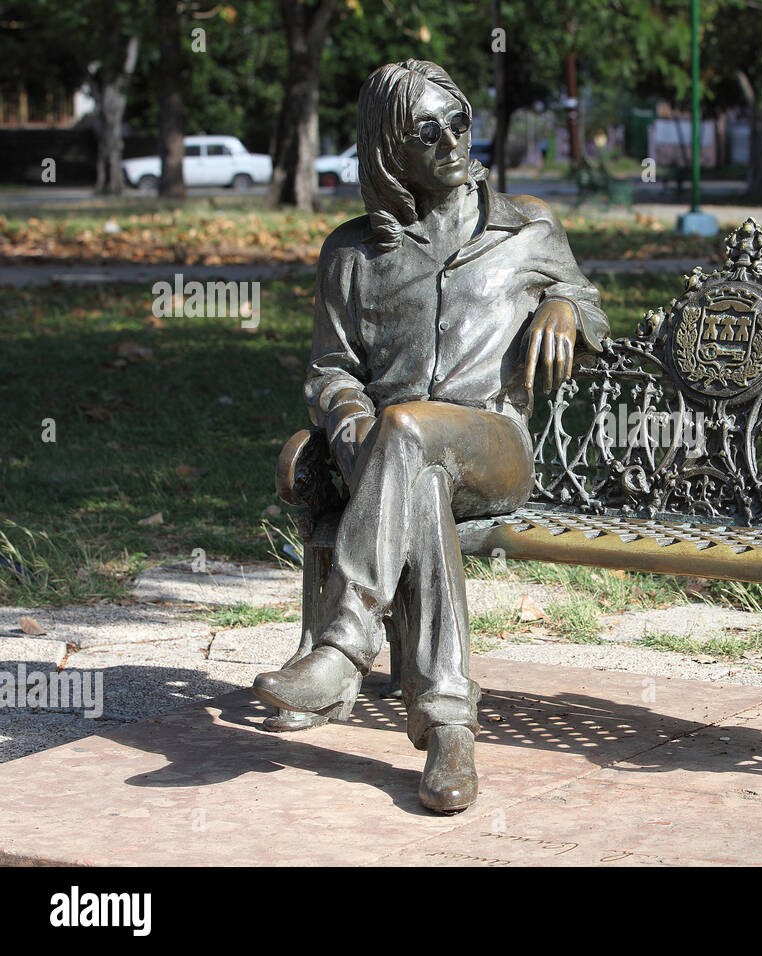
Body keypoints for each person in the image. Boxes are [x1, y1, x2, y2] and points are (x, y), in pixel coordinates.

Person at [252, 59, 608, 812]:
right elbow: (330, 374)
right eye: (426, 129)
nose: (451, 140)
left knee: (408, 434)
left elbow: (593, 307)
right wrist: (361, 444)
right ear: (389, 148)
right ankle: (449, 727)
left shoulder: (528, 225)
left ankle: (345, 647)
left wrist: (567, 307)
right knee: (414, 471)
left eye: (459, 121)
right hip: (400, 462)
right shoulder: (352, 255)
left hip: (497, 453)